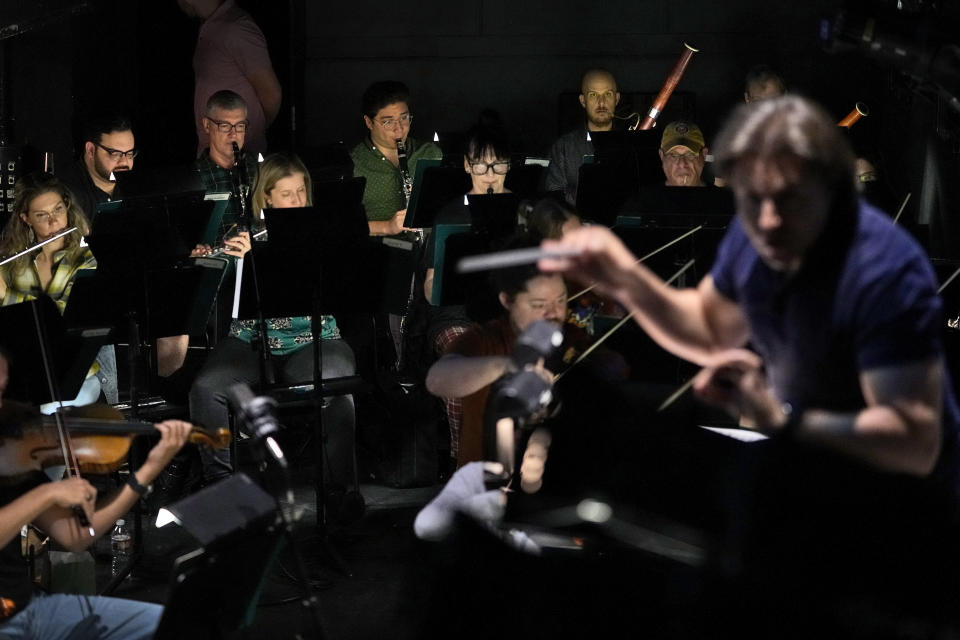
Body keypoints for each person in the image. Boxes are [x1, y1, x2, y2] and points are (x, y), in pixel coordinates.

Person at [539, 95, 960, 620]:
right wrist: (626, 276)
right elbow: (710, 327)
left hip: (892, 511)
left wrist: (774, 419)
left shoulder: (886, 273)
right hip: (806, 477)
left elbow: (913, 439)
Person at [189, 153, 357, 491]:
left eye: (301, 192)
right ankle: (221, 485)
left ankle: (341, 492)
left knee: (338, 385)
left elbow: (342, 280)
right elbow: (214, 296)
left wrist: (272, 253)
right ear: (266, 197)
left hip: (315, 338)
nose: (297, 201)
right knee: (206, 389)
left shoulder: (323, 229)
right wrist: (210, 264)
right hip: (251, 341)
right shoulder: (245, 232)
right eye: (286, 194)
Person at [0, 347, 194, 639]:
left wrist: (148, 471)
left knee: (177, 624)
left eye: (2, 391)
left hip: (30, 610)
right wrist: (46, 495)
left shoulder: (12, 458)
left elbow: (77, 537)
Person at [426, 236, 624, 468]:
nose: (553, 314)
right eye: (539, 305)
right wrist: (506, 366)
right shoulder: (485, 339)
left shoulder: (571, 339)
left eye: (560, 300)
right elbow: (438, 379)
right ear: (507, 301)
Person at [0, 173, 103, 409]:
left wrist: (7, 294)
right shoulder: (15, 262)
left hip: (74, 375)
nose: (54, 222)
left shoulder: (87, 260)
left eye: (58, 210)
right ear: (26, 219)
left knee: (40, 408)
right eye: (41, 215)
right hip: (22, 373)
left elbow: (62, 323)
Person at [179, 0, 281, 155]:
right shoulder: (209, 26)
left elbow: (271, 95)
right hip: (212, 156)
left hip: (239, 159)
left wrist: (249, 132)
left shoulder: (236, 28)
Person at [349, 81, 442, 237]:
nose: (399, 128)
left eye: (404, 118)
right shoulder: (353, 163)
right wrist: (387, 227)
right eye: (388, 122)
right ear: (369, 122)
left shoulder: (430, 154)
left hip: (425, 252)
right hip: (375, 254)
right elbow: (342, 225)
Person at [545, 68, 621, 205]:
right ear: (583, 101)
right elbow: (554, 194)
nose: (602, 103)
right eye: (593, 95)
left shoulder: (629, 145)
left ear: (616, 99)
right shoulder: (564, 147)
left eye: (608, 94)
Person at [658, 120, 708, 187]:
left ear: (704, 155)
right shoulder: (647, 196)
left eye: (690, 154)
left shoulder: (720, 197)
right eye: (674, 155)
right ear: (661, 156)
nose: (682, 164)